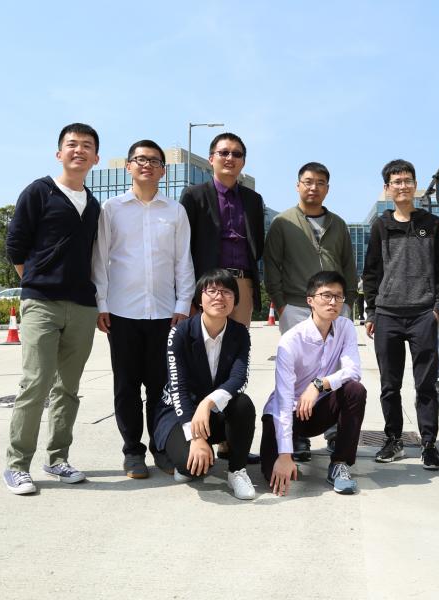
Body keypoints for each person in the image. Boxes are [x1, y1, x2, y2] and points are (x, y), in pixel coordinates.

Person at [2, 123, 102, 495]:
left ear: (95, 157)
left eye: (86, 146)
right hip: (41, 302)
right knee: (35, 383)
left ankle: (57, 458)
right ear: (59, 153)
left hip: (82, 306)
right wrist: (38, 280)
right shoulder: (39, 191)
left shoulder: (93, 204)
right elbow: (16, 245)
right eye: (71, 145)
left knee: (68, 388)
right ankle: (17, 465)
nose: (79, 151)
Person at [91, 139, 195, 479]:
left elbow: (183, 262)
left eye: (153, 160)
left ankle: (161, 448)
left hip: (165, 313)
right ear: (129, 166)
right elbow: (100, 260)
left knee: (161, 387)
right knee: (126, 386)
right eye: (140, 159)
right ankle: (132, 452)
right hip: (121, 312)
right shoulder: (112, 209)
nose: (146, 165)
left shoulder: (175, 211)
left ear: (163, 170)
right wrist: (101, 303)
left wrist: (183, 304)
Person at [263, 161, 357, 461]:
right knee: (296, 372)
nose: (313, 187)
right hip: (295, 304)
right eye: (307, 181)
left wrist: (349, 301)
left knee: (335, 370)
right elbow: (272, 264)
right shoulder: (283, 222)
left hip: (334, 305)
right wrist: (279, 303)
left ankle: (333, 431)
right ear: (297, 185)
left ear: (327, 188)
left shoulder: (338, 224)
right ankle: (297, 436)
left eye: (319, 183)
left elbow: (348, 265)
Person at [363, 159, 439, 471]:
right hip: (387, 314)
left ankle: (429, 444)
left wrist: (437, 309)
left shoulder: (432, 224)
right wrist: (372, 311)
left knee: (426, 384)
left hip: (423, 314)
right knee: (390, 384)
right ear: (387, 188)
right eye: (396, 181)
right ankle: (393, 440)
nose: (402, 186)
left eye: (407, 180)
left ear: (415, 185)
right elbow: (370, 272)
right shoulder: (381, 226)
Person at [151, 269, 257, 500]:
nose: (219, 296)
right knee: (191, 468)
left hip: (212, 411)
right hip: (179, 413)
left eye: (227, 292)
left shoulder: (240, 333)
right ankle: (173, 452)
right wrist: (196, 437)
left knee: (243, 404)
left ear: (235, 301)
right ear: (200, 299)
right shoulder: (180, 332)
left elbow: (239, 378)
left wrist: (208, 403)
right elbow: (177, 388)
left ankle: (237, 471)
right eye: (212, 291)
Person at [260, 271, 367, 496]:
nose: (333, 302)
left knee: (354, 390)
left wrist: (319, 384)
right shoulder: (290, 341)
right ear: (310, 301)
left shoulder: (345, 327)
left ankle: (340, 463)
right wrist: (285, 455)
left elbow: (353, 371)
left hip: (319, 408)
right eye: (326, 295)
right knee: (272, 474)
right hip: (287, 411)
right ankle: (291, 449)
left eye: (338, 296)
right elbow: (283, 400)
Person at [180, 133, 265, 328]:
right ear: (211, 159)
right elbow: (182, 248)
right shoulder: (194, 196)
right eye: (224, 152)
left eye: (237, 154)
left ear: (243, 162)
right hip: (208, 283)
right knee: (205, 349)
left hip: (243, 285)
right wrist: (188, 297)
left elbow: (258, 244)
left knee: (237, 348)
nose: (230, 158)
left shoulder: (253, 199)